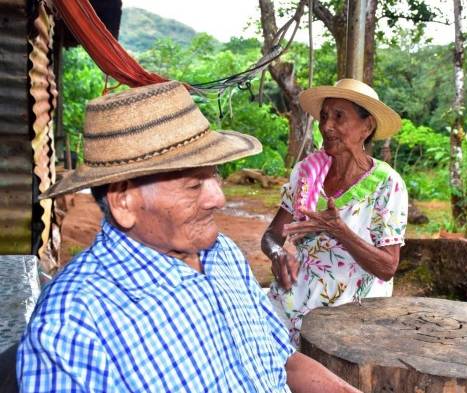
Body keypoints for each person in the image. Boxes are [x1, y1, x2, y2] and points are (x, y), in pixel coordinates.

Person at [17, 81, 360, 393]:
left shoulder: (221, 252)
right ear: (124, 200)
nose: (218, 198)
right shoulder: (73, 323)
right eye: (193, 185)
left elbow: (281, 360)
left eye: (214, 176)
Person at [262, 79, 408, 346]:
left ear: (367, 126)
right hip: (292, 303)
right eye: (325, 116)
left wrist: (339, 231)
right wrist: (278, 253)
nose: (327, 126)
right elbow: (272, 235)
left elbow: (388, 267)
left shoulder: (387, 184)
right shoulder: (307, 173)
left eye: (339, 117)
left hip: (350, 315)